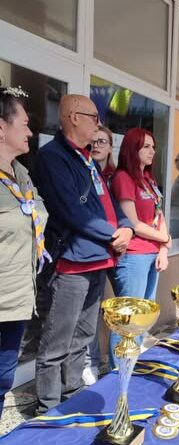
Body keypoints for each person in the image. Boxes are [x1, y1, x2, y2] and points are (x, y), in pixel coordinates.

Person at [33, 94, 134, 414]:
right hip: (72, 264)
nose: (99, 124)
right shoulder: (53, 157)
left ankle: (72, 393)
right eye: (94, 117)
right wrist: (114, 235)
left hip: (98, 259)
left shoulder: (86, 158)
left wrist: (126, 227)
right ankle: (48, 408)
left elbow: (110, 203)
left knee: (84, 335)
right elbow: (72, 211)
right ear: (74, 117)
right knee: (58, 340)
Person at [0, 86, 49, 417]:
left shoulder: (21, 174)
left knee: (3, 380)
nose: (31, 132)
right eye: (25, 124)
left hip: (16, 298)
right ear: (1, 127)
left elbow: (36, 214)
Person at [110, 127, 171, 367]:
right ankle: (118, 371)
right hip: (134, 256)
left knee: (143, 316)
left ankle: (132, 364)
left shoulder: (148, 179)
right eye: (145, 146)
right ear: (131, 149)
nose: (152, 151)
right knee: (128, 319)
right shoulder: (123, 178)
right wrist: (164, 238)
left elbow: (159, 214)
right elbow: (133, 223)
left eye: (153, 146)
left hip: (152, 254)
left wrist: (163, 247)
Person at [82, 125, 116, 385]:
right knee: (90, 310)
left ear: (111, 147)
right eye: (93, 141)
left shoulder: (116, 176)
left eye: (102, 141)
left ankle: (111, 359)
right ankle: (90, 361)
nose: (97, 145)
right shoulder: (83, 172)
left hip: (118, 250)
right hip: (93, 249)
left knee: (112, 308)